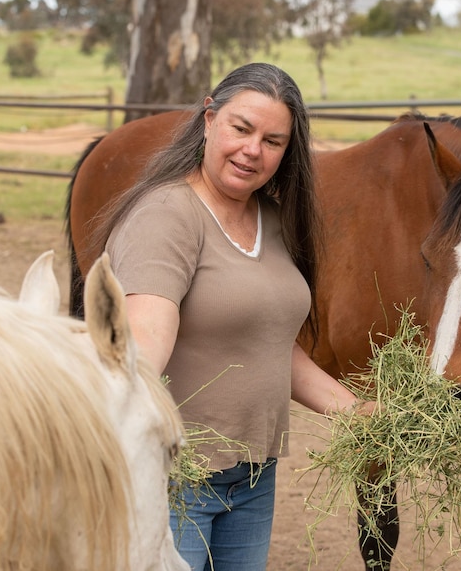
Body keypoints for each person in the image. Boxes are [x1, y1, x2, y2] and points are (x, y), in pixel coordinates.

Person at [88, 62, 375, 571]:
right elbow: (144, 341)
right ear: (209, 120)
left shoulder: (272, 219)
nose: (252, 150)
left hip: (252, 477)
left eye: (272, 140)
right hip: (176, 477)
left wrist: (354, 411)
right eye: (241, 128)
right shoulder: (167, 216)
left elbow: (270, 345)